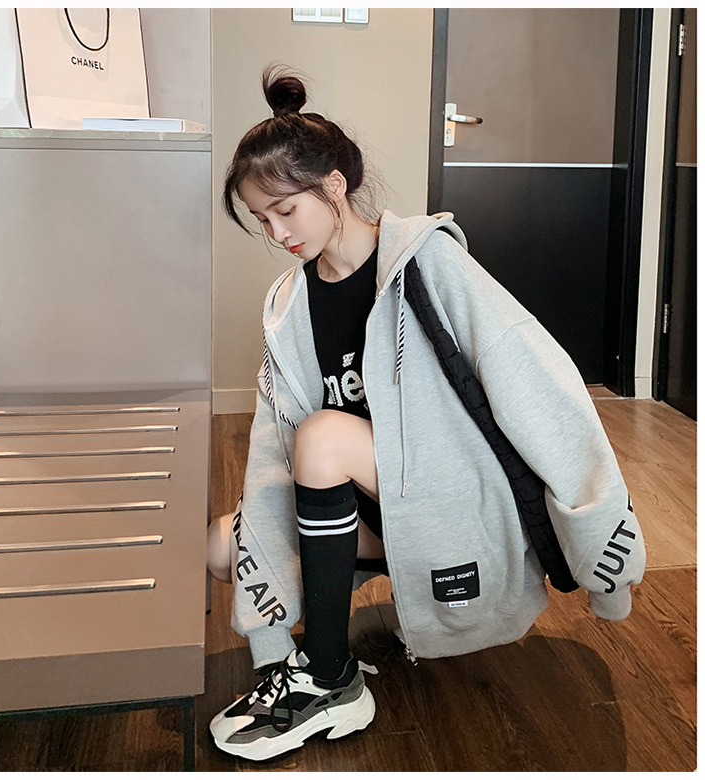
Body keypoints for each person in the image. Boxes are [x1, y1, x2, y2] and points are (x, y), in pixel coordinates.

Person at [207, 65, 645, 762]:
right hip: (374, 507)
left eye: (286, 210)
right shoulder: (288, 304)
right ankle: (316, 659)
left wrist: (605, 558)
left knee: (324, 438)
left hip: (455, 499)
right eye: (262, 220)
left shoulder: (427, 263)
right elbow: (268, 445)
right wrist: (266, 633)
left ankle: (330, 679)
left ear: (333, 186)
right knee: (223, 546)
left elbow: (541, 388)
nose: (277, 232)